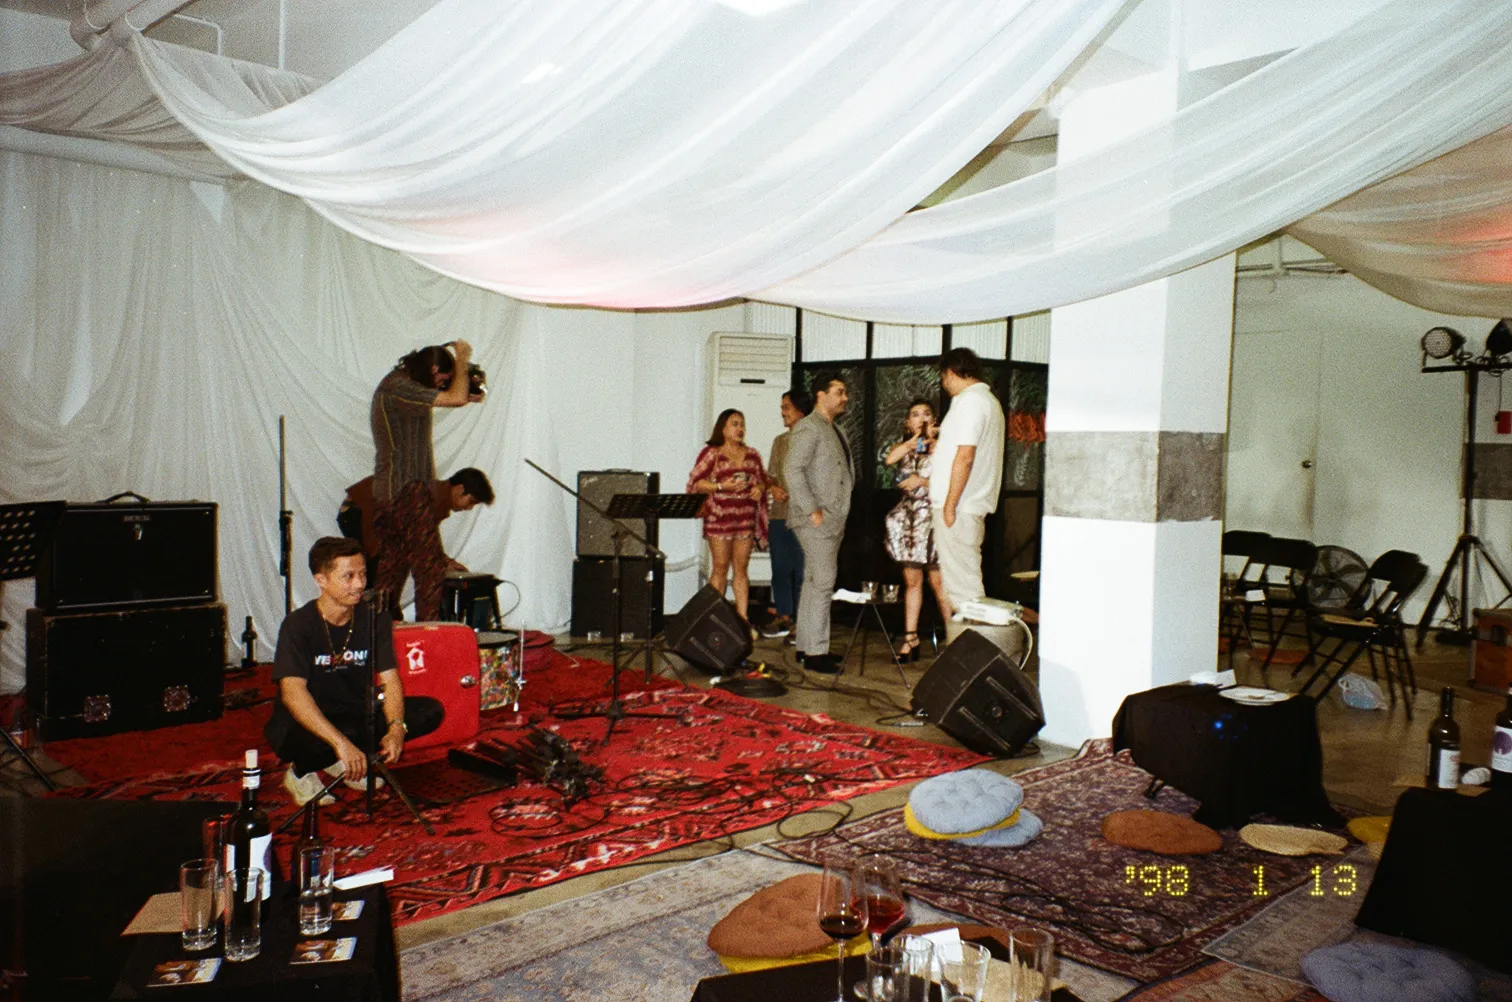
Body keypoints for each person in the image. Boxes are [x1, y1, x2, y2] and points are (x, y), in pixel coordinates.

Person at [265, 536, 443, 806]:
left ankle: (343, 759)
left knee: (429, 712)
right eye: (348, 576)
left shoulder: (375, 617)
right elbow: (293, 693)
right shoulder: (297, 625)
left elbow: (390, 678)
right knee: (326, 739)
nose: (359, 584)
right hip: (306, 720)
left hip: (354, 711)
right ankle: (301, 772)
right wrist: (340, 744)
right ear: (321, 580)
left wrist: (396, 728)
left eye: (362, 574)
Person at [370, 342, 484, 620]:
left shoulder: (400, 385)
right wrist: (462, 357)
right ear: (433, 369)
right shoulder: (399, 387)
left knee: (391, 572)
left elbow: (457, 395)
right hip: (408, 490)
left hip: (389, 494)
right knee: (429, 570)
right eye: (442, 379)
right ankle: (429, 634)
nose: (443, 385)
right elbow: (454, 398)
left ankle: (378, 634)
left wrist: (466, 387)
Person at [784, 372, 854, 674]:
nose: (845, 398)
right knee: (823, 582)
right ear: (820, 395)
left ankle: (806, 647)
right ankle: (816, 652)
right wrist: (812, 509)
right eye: (839, 392)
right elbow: (792, 470)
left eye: (845, 392)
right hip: (817, 519)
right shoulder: (808, 427)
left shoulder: (834, 428)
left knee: (814, 583)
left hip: (831, 517)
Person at [930, 347, 1006, 612]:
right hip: (967, 505)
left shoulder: (971, 402)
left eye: (943, 377)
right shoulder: (986, 401)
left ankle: (979, 639)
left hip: (960, 506)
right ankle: (974, 637)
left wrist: (950, 505)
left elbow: (965, 456)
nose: (944, 384)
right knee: (962, 585)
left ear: (951, 372)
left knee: (964, 591)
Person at [338, 467, 494, 587]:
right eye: (471, 502)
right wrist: (445, 562)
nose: (469, 508)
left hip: (364, 512)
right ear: (460, 489)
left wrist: (446, 561)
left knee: (382, 571)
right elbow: (422, 542)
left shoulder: (439, 495)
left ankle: (382, 611)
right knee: (374, 571)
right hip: (358, 510)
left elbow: (429, 539)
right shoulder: (435, 496)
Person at [883, 398, 951, 662]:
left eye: (926, 414)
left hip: (932, 515)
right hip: (909, 519)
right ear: (907, 421)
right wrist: (913, 442)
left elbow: (952, 482)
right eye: (915, 414)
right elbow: (889, 460)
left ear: (934, 419)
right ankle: (910, 638)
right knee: (912, 581)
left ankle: (954, 638)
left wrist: (922, 480)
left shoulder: (944, 447)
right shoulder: (906, 447)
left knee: (938, 581)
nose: (921, 418)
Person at [687, 409, 769, 623]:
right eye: (735, 424)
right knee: (720, 568)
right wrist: (722, 486)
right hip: (719, 521)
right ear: (722, 428)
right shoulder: (712, 453)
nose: (740, 429)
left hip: (745, 520)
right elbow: (696, 483)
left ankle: (743, 620)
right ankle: (714, 619)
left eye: (742, 424)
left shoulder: (752, 455)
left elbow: (763, 481)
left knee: (741, 570)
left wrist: (758, 489)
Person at [761, 388, 811, 640]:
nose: (782, 412)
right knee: (780, 568)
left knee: (803, 570)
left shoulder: (815, 439)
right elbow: (770, 477)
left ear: (800, 410)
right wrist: (773, 488)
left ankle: (804, 624)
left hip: (806, 516)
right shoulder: (780, 442)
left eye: (786, 407)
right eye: (782, 407)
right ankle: (783, 617)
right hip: (780, 514)